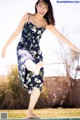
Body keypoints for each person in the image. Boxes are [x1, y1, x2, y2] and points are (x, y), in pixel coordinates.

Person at [1, 0, 80, 118]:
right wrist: (5, 46)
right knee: (26, 58)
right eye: (41, 6)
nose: (42, 9)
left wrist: (76, 49)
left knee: (38, 84)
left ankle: (29, 112)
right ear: (36, 6)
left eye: (45, 7)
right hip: (23, 48)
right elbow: (16, 32)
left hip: (36, 52)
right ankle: (34, 67)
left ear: (48, 9)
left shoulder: (46, 23)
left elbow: (61, 36)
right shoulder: (27, 16)